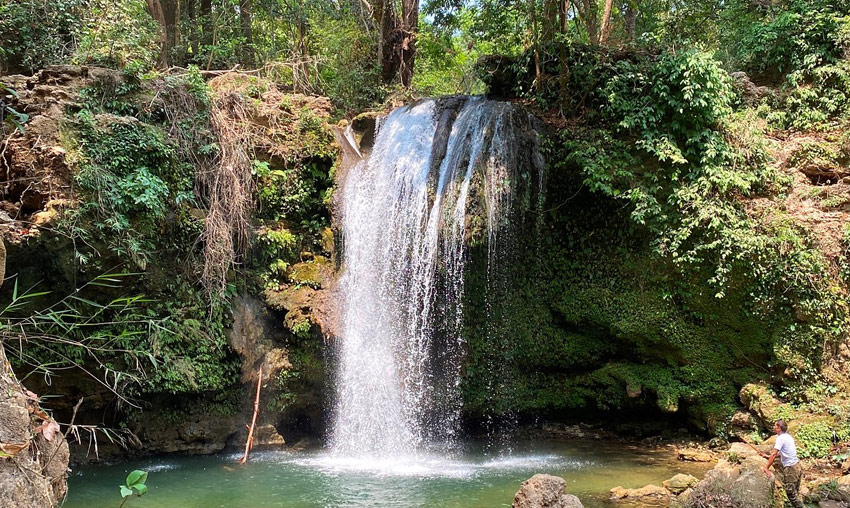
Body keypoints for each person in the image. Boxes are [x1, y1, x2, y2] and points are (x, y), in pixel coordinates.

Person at [759, 419, 804, 508]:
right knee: (795, 492)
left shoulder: (780, 438)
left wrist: (767, 467)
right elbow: (784, 453)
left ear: (779, 427)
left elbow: (774, 453)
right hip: (797, 466)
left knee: (791, 493)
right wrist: (768, 457)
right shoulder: (788, 436)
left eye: (775, 425)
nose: (774, 427)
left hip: (791, 468)